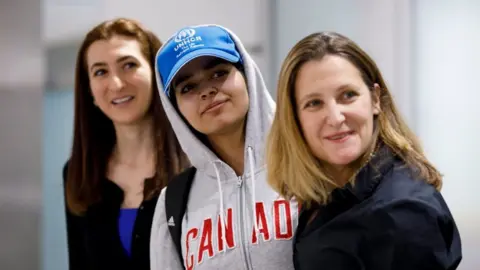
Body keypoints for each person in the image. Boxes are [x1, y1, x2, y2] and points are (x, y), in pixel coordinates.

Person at [266, 31, 462, 270]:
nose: (336, 118)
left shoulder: (403, 213)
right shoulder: (329, 191)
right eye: (314, 103)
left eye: (348, 95)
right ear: (294, 119)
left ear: (375, 99)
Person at [149, 24, 299, 270]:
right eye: (187, 87)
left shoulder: (306, 158)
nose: (207, 90)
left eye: (219, 73)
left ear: (246, 74)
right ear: (174, 108)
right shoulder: (173, 205)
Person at [63, 18, 190, 270]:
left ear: (155, 73)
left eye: (129, 65)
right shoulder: (79, 172)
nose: (117, 84)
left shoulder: (196, 162)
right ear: (89, 89)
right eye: (100, 72)